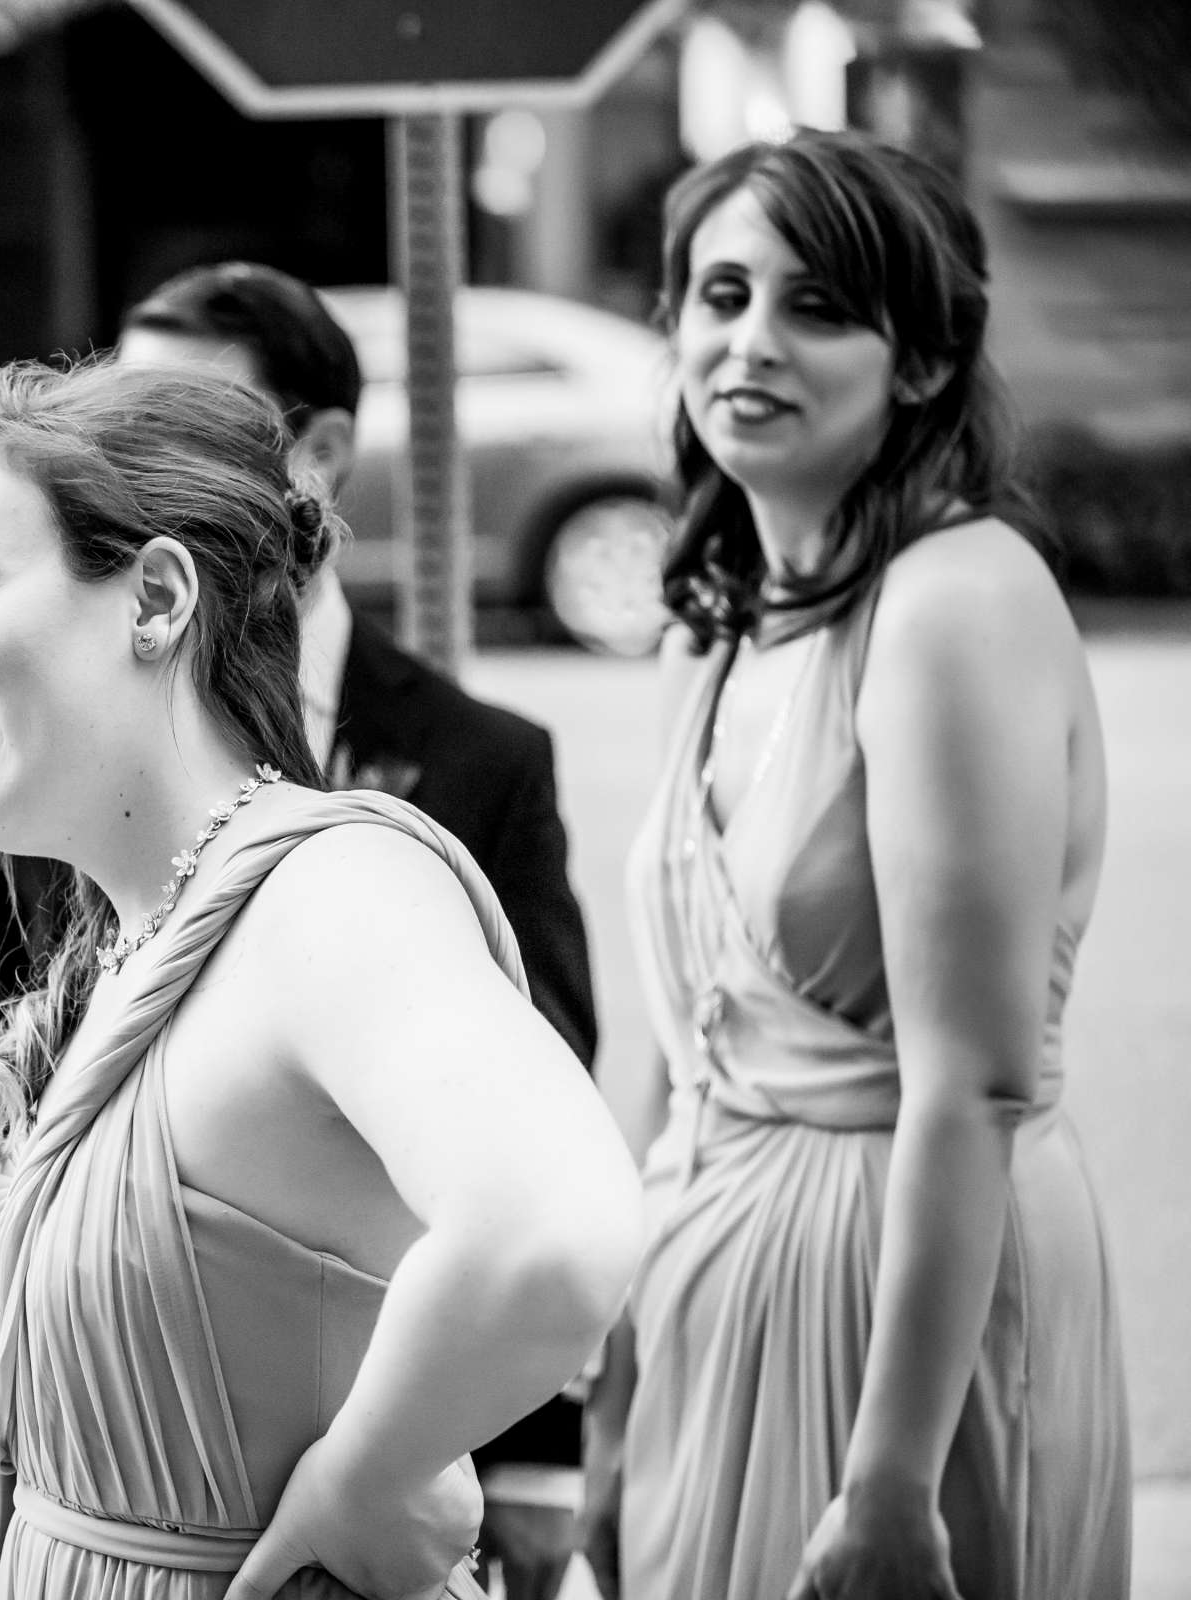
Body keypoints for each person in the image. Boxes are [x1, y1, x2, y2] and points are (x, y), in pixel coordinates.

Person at [0, 261, 600, 1593]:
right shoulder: (135, 929)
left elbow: (550, 1232)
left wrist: (365, 1478)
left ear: (157, 600)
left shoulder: (327, 894)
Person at [587, 129, 1132, 1600]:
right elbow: (684, 1041)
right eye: (720, 294)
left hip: (902, 1306)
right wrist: (617, 1373)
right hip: (707, 1273)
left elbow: (977, 1081)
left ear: (921, 363)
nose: (750, 342)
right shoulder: (713, 617)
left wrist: (892, 1474)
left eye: (817, 306)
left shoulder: (956, 601)